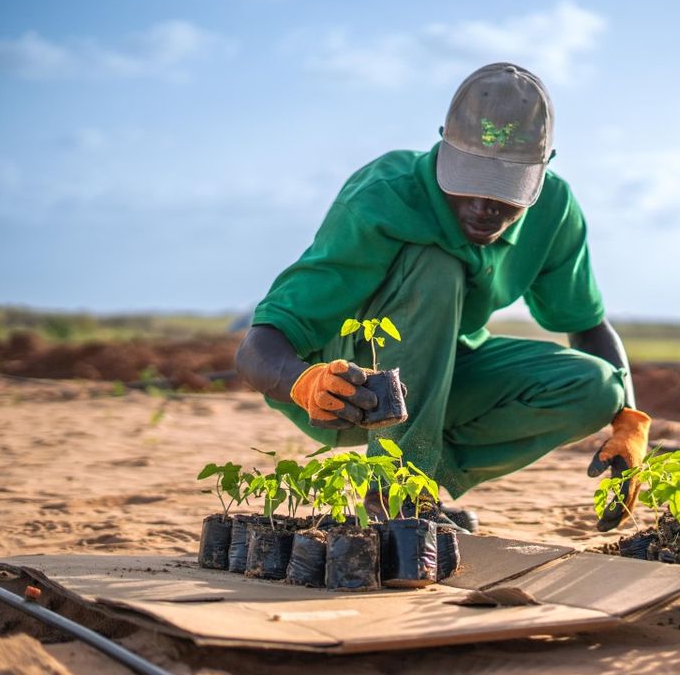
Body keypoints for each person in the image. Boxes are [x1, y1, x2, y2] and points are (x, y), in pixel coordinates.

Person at [234, 62, 649, 531]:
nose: (483, 207)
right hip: (347, 388)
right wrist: (306, 383)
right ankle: (393, 496)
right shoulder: (386, 194)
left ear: (542, 170)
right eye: (467, 186)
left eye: (505, 193)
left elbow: (589, 324)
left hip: (444, 379)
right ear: (443, 150)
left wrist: (631, 424)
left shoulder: (554, 210)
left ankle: (417, 482)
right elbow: (257, 347)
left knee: (596, 386)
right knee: (436, 265)